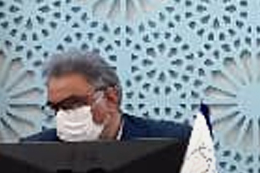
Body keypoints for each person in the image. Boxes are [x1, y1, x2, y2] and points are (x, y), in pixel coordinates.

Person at [22, 49, 190, 143]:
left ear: (111, 97)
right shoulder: (33, 150)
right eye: (56, 108)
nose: (64, 115)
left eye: (73, 104)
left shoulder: (175, 142)